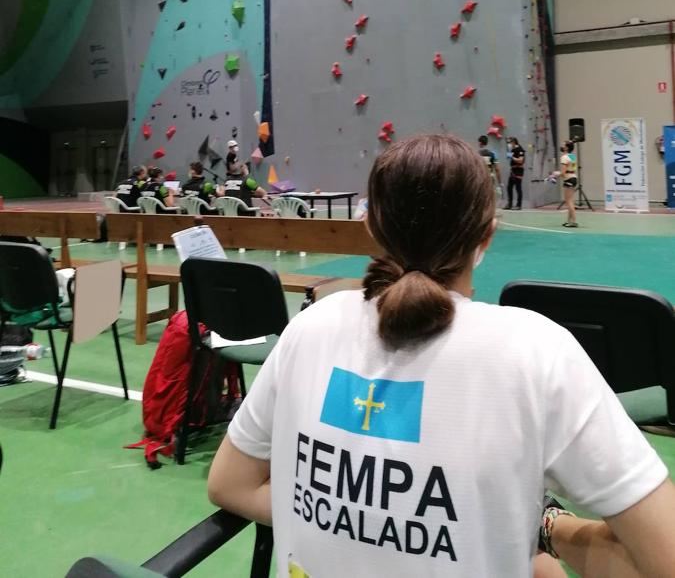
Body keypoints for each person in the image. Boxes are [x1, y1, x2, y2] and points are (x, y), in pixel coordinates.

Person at [208, 134, 675, 578]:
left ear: (371, 227)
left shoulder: (310, 325)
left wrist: (360, 526)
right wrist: (547, 529)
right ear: (487, 236)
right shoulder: (536, 352)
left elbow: (230, 484)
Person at [559, 140, 578, 228]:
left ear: (566, 147)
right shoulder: (573, 156)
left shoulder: (564, 157)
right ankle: (569, 221)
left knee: (569, 201)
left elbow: (563, 173)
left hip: (569, 179)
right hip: (574, 178)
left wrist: (555, 175)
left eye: (563, 145)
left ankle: (573, 221)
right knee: (570, 201)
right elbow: (572, 168)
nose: (562, 146)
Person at [505, 136, 526, 210]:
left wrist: (511, 157)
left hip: (518, 170)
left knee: (518, 187)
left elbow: (520, 160)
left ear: (514, 142)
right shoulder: (513, 150)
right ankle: (510, 204)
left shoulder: (520, 150)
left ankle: (519, 205)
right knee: (509, 187)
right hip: (513, 170)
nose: (509, 144)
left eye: (510, 142)